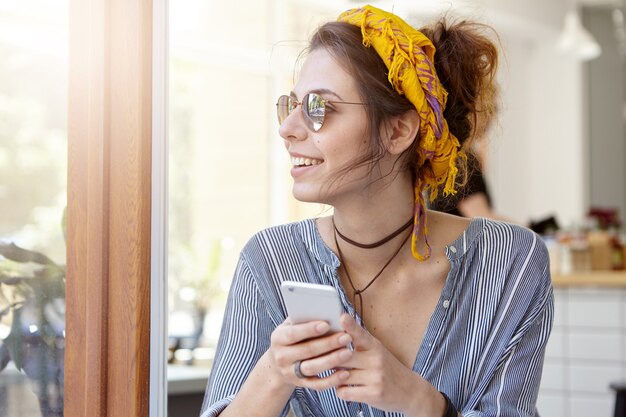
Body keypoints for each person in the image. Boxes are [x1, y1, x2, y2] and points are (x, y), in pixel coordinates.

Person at [200, 5, 553, 417]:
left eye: (319, 108)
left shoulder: (510, 263)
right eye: (291, 105)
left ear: (398, 130)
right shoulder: (271, 259)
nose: (288, 128)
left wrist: (421, 402)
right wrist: (275, 374)